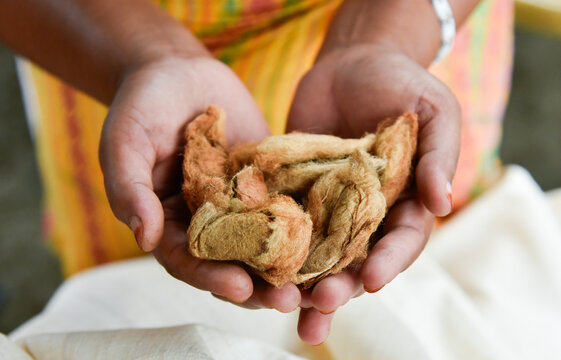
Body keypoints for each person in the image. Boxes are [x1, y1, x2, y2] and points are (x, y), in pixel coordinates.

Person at [0, 0, 513, 345]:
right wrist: (148, 58)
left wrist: (383, 40)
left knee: (435, 293)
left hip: (403, 23)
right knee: (136, 305)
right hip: (102, 34)